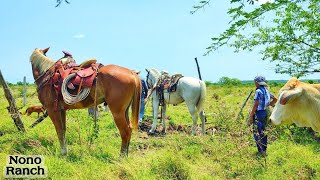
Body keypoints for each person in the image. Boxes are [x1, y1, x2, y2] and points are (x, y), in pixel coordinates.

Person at [248, 76, 277, 157]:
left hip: (258, 114)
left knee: (257, 133)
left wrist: (251, 116)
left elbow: (255, 104)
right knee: (263, 132)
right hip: (264, 113)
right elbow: (275, 99)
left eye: (255, 82)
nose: (254, 83)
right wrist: (269, 104)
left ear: (257, 82)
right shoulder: (266, 90)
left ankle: (261, 151)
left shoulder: (258, 91)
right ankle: (264, 150)